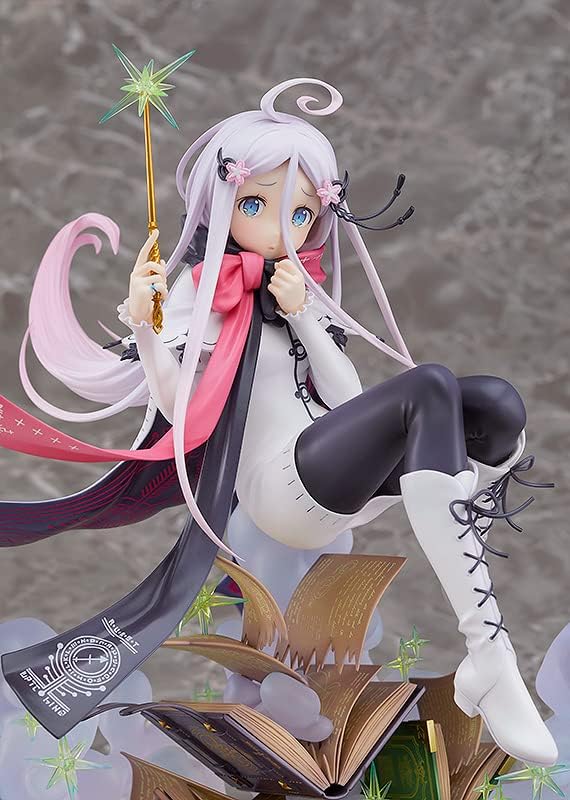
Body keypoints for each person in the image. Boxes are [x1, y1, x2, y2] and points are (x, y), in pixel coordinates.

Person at [0, 78, 557, 764]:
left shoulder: (301, 287)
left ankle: (462, 562)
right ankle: (488, 651)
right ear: (222, 200)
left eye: (300, 213)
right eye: (257, 204)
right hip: (277, 490)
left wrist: (303, 315)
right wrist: (145, 328)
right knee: (431, 384)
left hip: (339, 478)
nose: (280, 228)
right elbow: (181, 413)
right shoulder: (195, 292)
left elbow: (346, 398)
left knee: (497, 405)